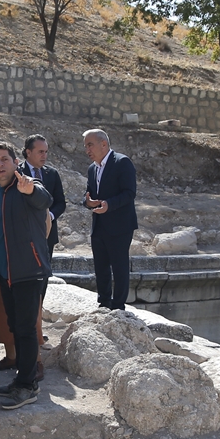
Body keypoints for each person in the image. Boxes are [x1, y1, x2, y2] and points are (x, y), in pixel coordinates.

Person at [0, 140, 52, 410]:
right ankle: (22, 379)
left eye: (5, 159)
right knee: (16, 328)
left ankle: (28, 386)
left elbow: (44, 199)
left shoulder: (27, 186)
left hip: (29, 270)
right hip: (5, 275)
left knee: (27, 330)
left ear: (16, 162)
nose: (0, 165)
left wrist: (30, 190)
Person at [83, 128, 137, 311]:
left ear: (103, 144)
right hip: (99, 225)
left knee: (119, 267)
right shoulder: (92, 169)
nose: (87, 150)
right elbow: (88, 194)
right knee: (101, 267)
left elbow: (129, 193)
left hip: (120, 226)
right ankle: (104, 303)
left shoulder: (122, 163)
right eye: (86, 146)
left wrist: (109, 205)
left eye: (90, 145)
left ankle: (119, 306)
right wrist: (88, 202)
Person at [18, 134, 67, 260]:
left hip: (47, 234)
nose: (44, 156)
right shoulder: (18, 174)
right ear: (28, 152)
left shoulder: (52, 174)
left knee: (45, 274)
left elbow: (60, 203)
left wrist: (49, 216)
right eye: (40, 152)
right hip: (25, 234)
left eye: (46, 152)